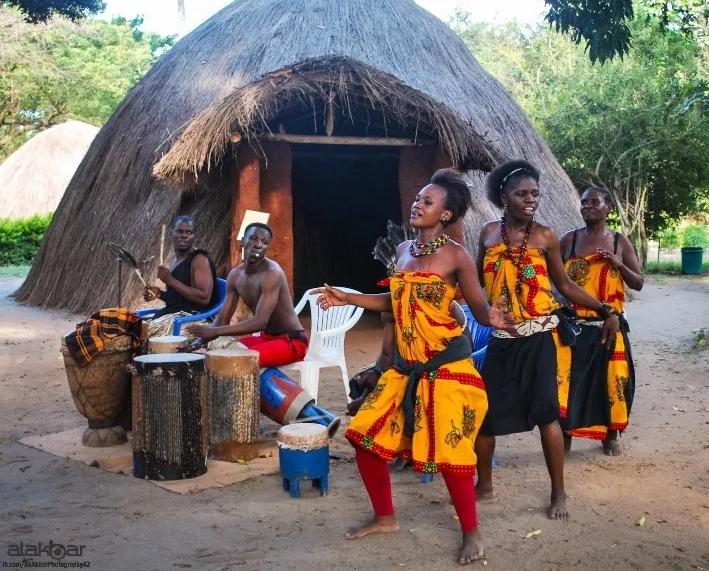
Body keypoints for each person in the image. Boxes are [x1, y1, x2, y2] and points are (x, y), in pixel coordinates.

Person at [313, 169, 512, 565]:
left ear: (446, 214)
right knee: (364, 437)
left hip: (446, 366)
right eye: (418, 198)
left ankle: (471, 531)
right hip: (406, 369)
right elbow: (394, 302)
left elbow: (477, 310)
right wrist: (348, 297)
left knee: (452, 454)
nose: (417, 204)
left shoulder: (456, 256)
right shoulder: (404, 249)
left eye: (427, 201)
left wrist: (496, 319)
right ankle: (385, 517)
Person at [474, 160, 620, 521]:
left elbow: (565, 286)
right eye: (522, 194)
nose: (530, 200)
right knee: (485, 417)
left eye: (535, 194)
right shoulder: (488, 233)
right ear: (503, 197)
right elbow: (476, 282)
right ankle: (485, 486)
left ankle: (559, 492)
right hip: (501, 340)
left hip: (540, 339)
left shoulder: (546, 237)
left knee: (547, 416)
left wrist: (605, 310)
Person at [560, 187, 643, 456]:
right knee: (568, 383)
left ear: (608, 207)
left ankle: (610, 434)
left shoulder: (620, 242)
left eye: (594, 202)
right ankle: (566, 433)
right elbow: (556, 279)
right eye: (584, 203)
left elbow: (638, 283)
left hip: (610, 325)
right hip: (575, 326)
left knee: (613, 381)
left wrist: (619, 265)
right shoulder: (569, 241)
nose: (587, 207)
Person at [183, 222, 308, 368]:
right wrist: (197, 343)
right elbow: (223, 319)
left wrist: (214, 331)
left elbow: (260, 322)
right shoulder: (235, 276)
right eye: (253, 238)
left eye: (264, 242)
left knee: (237, 360)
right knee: (221, 352)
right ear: (243, 241)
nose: (258, 244)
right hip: (266, 338)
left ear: (268, 248)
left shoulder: (272, 274)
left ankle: (269, 391)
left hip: (291, 341)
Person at [143, 215, 219, 335]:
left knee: (148, 335)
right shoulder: (174, 259)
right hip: (173, 313)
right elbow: (179, 299)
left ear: (195, 236)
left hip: (192, 318)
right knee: (137, 328)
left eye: (189, 232)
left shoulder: (199, 259)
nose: (184, 235)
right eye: (179, 231)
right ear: (171, 233)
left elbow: (204, 298)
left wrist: (170, 280)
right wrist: (159, 294)